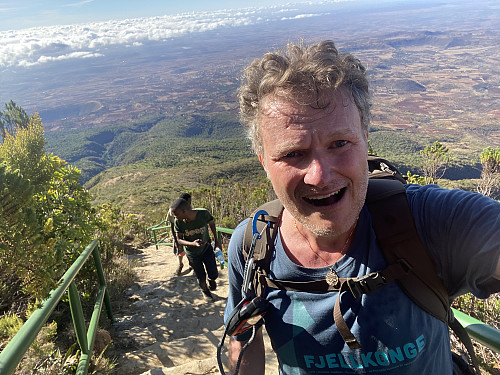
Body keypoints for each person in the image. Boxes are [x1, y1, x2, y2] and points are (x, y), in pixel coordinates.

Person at [224, 40, 500, 374]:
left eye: (340, 143)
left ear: (366, 139)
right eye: (293, 154)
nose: (320, 176)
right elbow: (242, 335)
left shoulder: (430, 222)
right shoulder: (252, 246)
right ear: (264, 163)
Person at [170, 197, 222, 300]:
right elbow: (179, 240)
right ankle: (205, 292)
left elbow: (211, 224)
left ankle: (211, 279)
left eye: (176, 214)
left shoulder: (203, 214)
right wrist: (192, 244)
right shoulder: (178, 222)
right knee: (200, 276)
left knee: (213, 273)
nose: (174, 217)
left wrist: (217, 241)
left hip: (206, 249)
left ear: (184, 211)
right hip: (192, 253)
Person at [166, 193, 192, 276]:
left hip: (189, 232)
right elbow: (172, 224)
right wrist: (175, 238)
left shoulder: (189, 208)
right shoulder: (172, 209)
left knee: (190, 249)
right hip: (179, 233)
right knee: (180, 251)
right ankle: (180, 265)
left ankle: (191, 264)